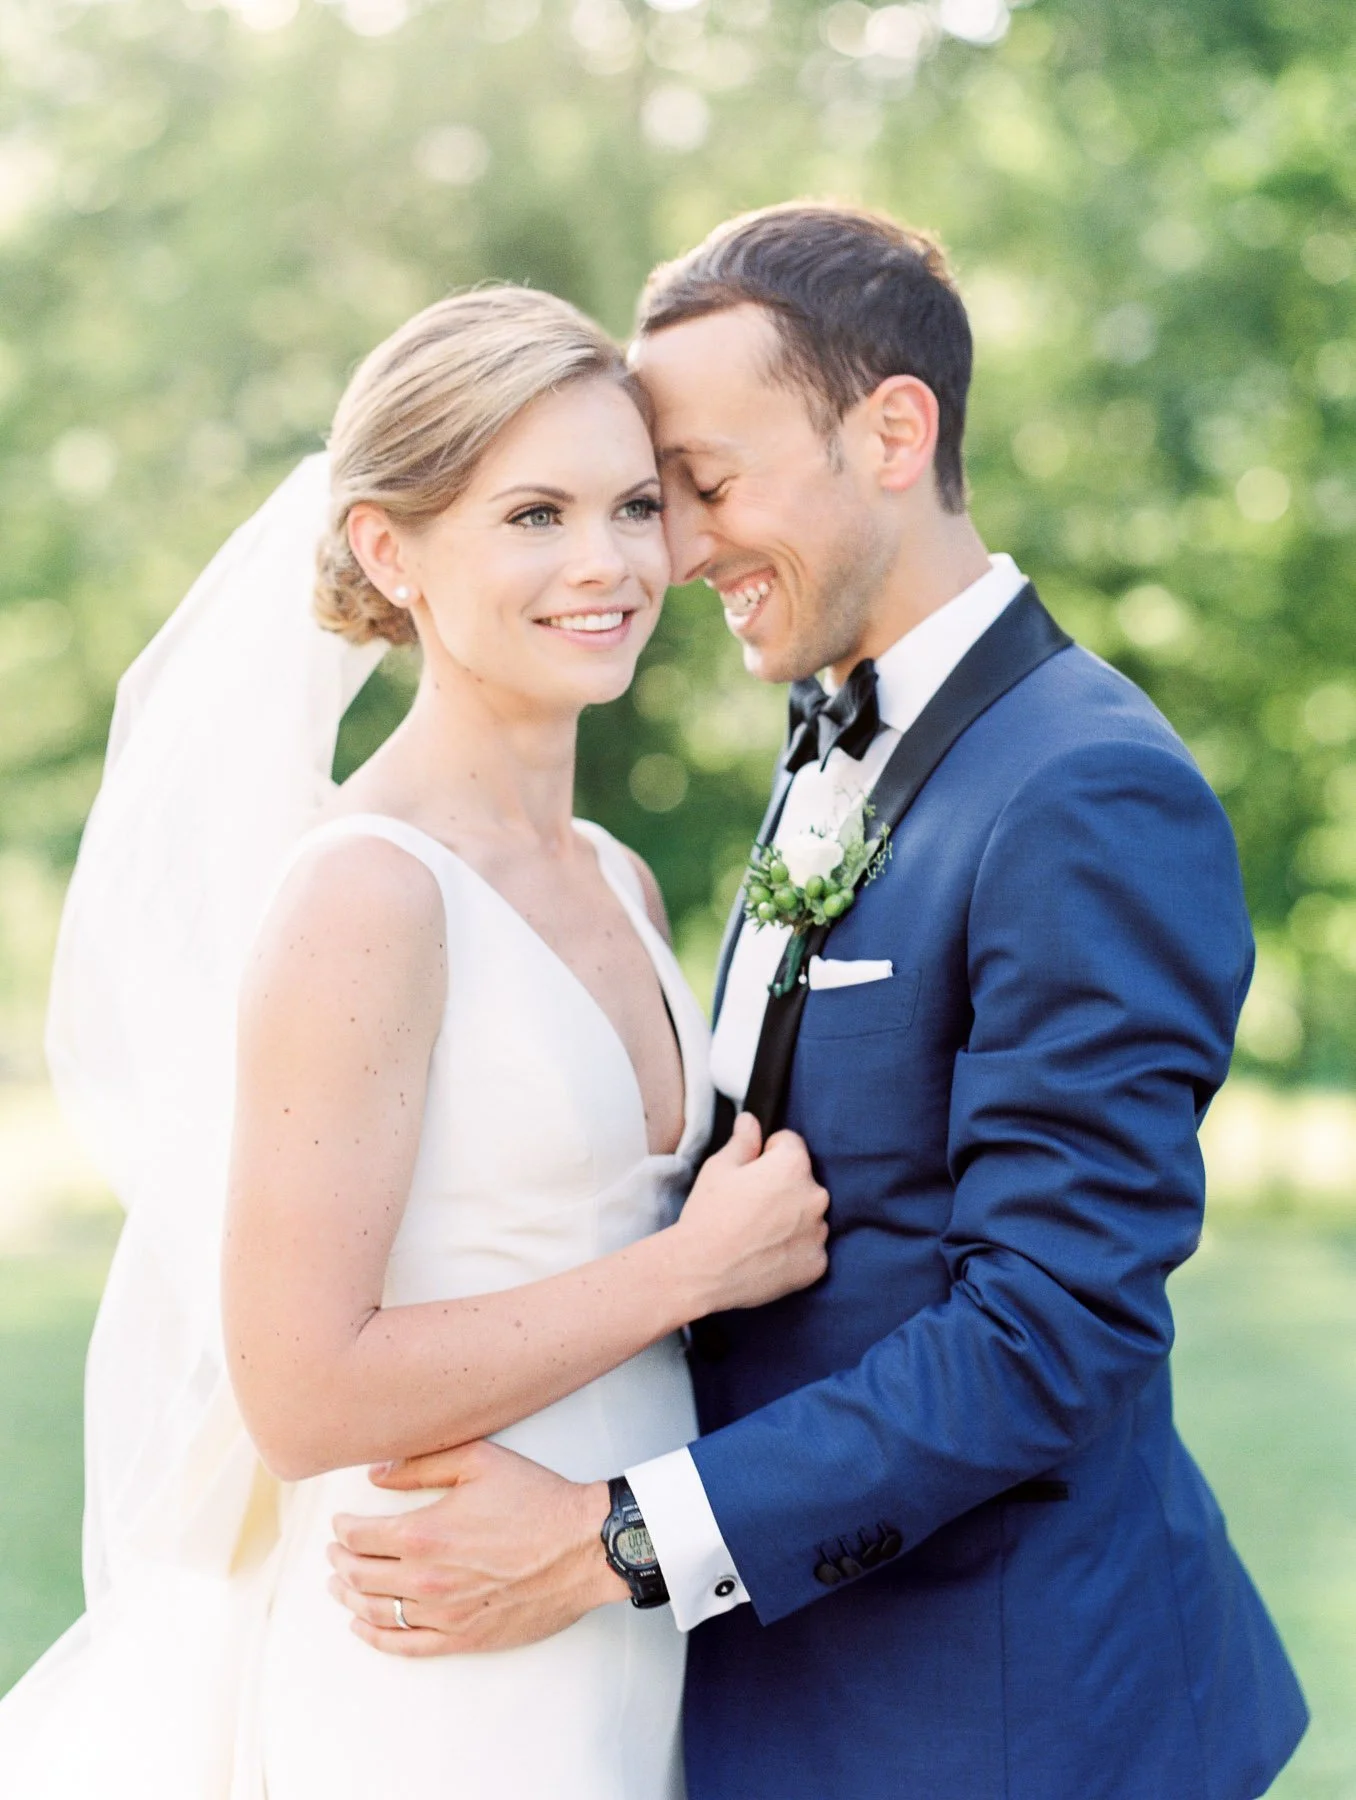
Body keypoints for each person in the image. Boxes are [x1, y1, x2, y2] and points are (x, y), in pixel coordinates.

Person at [330, 205, 1311, 1800]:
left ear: (893, 435)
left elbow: (1048, 1332)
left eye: (704, 485)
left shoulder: (1083, 786)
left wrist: (606, 1541)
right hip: (781, 1695)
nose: (677, 551)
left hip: (999, 1718)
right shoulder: (833, 731)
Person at [0, 286, 831, 1798]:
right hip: (435, 1669)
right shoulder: (368, 894)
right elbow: (299, 1391)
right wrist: (694, 1268)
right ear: (392, 552)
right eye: (534, 515)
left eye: (634, 505)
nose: (608, 562)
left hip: (619, 1620)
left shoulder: (616, 877)